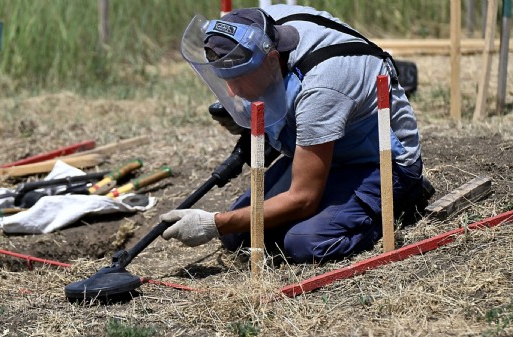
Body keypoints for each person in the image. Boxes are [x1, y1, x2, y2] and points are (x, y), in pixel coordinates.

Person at [160, 4, 433, 263]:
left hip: (380, 162)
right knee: (238, 235)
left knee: (304, 242)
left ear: (270, 61)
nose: (231, 92)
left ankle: (404, 200)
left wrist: (213, 224)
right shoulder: (263, 25)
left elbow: (303, 199)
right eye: (225, 80)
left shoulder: (323, 86)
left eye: (238, 79)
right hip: (328, 147)